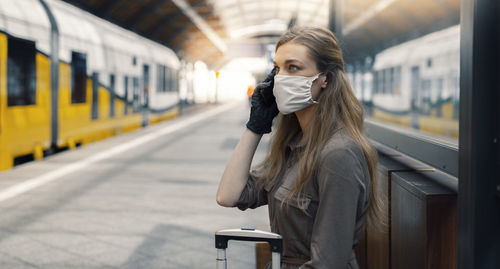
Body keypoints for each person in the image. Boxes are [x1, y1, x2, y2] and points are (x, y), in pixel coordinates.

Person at [216, 26, 381, 269]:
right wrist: (256, 126)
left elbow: (327, 263)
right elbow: (229, 195)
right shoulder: (294, 145)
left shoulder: (338, 155)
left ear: (325, 78)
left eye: (293, 67)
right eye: (277, 68)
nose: (281, 78)